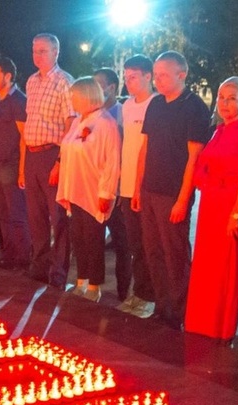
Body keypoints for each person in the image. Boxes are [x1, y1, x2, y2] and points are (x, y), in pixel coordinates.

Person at [132, 51, 212, 330]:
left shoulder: (195, 108)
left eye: (163, 74)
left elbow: (194, 157)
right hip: (150, 189)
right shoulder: (155, 105)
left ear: (182, 74)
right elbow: (145, 148)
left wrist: (183, 199)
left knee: (174, 253)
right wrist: (138, 187)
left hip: (173, 194)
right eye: (155, 74)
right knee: (152, 251)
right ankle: (161, 306)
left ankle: (180, 312)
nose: (157, 80)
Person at [185, 76, 238, 341]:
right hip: (211, 205)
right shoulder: (219, 130)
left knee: (226, 272)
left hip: (232, 208)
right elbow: (203, 164)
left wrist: (235, 215)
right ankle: (200, 325)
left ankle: (220, 329)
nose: (225, 103)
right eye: (221, 97)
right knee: (206, 268)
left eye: (232, 98)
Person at [56, 77, 121, 303]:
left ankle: (95, 284)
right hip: (75, 188)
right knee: (78, 238)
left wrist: (107, 193)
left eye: (74, 97)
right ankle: (81, 279)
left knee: (93, 239)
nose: (72, 101)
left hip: (93, 190)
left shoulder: (105, 123)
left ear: (86, 96)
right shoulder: (78, 121)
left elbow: (111, 162)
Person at [24, 33, 76, 288]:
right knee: (35, 215)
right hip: (32, 153)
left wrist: (60, 161)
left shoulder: (65, 82)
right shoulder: (31, 82)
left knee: (58, 217)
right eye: (35, 51)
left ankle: (58, 273)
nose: (37, 56)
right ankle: (39, 266)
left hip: (52, 153)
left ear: (56, 52)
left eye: (43, 51)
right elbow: (30, 121)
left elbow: (71, 122)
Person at [115, 55, 156, 318]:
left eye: (133, 77)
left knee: (148, 246)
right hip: (126, 187)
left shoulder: (156, 105)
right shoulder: (126, 106)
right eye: (126, 77)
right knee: (134, 246)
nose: (128, 82)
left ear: (148, 76)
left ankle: (148, 297)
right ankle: (137, 293)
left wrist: (141, 187)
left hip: (145, 188)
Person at [0, 57, 30, 270]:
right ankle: (9, 254)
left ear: (8, 76)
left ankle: (23, 258)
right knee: (1, 212)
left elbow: (24, 136)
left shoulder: (19, 101)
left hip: (11, 164)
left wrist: (22, 169)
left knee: (16, 214)